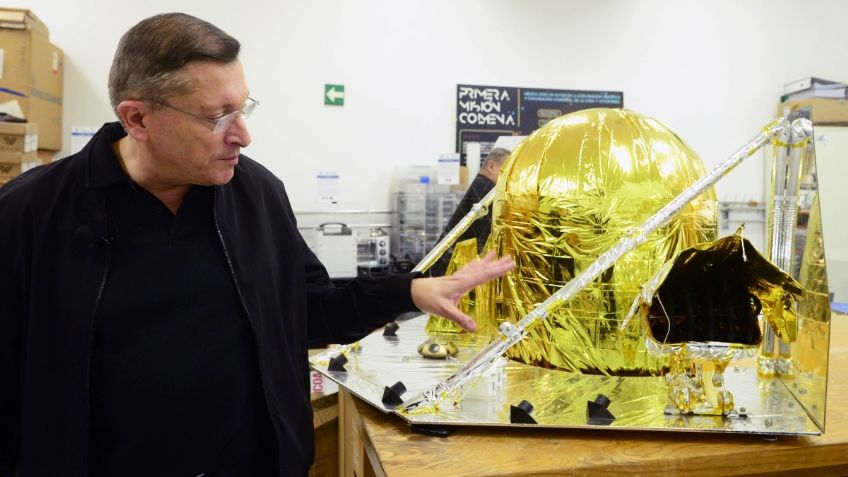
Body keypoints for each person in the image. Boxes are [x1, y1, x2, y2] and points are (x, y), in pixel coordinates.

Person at [0, 13, 514, 477]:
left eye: (243, 107)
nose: (242, 135)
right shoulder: (31, 214)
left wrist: (410, 293)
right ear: (137, 120)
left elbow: (310, 312)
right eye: (216, 116)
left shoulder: (256, 194)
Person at [429, 147, 511, 276]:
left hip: (446, 262)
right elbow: (485, 237)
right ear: (491, 166)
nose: (509, 177)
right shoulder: (485, 190)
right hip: (453, 265)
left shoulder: (479, 185)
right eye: (507, 170)